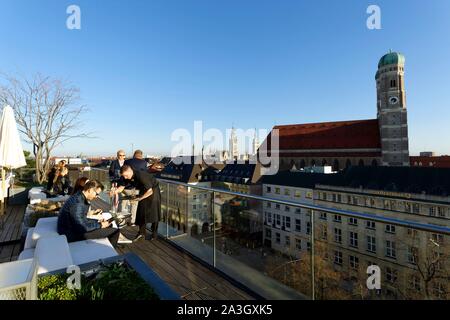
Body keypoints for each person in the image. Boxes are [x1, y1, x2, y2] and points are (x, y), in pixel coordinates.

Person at [57, 180, 120, 247]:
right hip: (71, 234)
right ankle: (111, 255)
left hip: (72, 228)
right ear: (90, 190)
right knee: (115, 232)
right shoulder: (78, 203)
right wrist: (100, 225)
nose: (97, 196)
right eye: (97, 194)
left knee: (108, 226)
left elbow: (81, 219)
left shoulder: (79, 196)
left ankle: (104, 247)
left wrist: (98, 222)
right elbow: (81, 227)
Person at [111, 165, 161, 241]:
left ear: (130, 171)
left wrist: (140, 198)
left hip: (153, 192)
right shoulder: (126, 176)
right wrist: (114, 192)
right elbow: (121, 187)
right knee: (141, 212)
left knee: (154, 213)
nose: (125, 177)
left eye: (126, 175)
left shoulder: (141, 175)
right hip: (143, 191)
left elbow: (150, 191)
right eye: (124, 176)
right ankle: (141, 233)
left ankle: (154, 234)